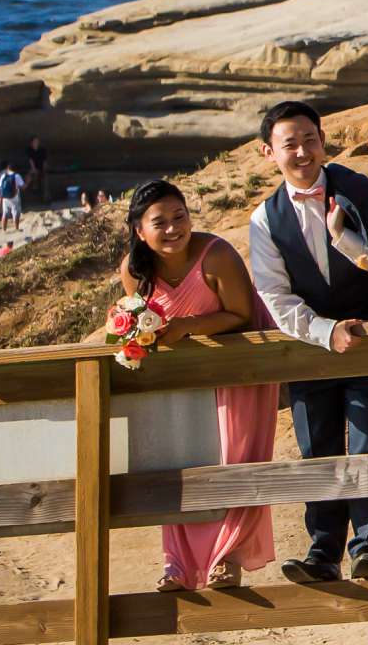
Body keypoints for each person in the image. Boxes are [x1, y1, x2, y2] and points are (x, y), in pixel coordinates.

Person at [247, 100, 368, 583]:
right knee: (316, 448)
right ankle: (322, 553)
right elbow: (276, 296)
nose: (301, 152)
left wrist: (347, 242)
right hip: (310, 352)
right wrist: (325, 332)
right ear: (269, 152)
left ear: (322, 141)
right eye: (289, 144)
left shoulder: (359, 190)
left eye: (309, 140)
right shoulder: (264, 219)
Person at [122, 180, 277, 590]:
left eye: (180, 217)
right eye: (160, 222)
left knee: (233, 458)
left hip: (237, 372)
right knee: (181, 463)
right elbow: (142, 326)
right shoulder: (134, 271)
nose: (173, 229)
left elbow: (241, 315)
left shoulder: (217, 255)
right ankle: (177, 563)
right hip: (182, 384)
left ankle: (227, 558)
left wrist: (188, 327)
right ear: (140, 230)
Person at [0, 164, 23, 233]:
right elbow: (23, 186)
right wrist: (29, 179)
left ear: (8, 168)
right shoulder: (17, 176)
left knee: (5, 213)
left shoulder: (3, 176)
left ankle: (3, 230)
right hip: (14, 197)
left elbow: (1, 189)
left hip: (5, 198)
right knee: (16, 213)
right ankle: (16, 228)